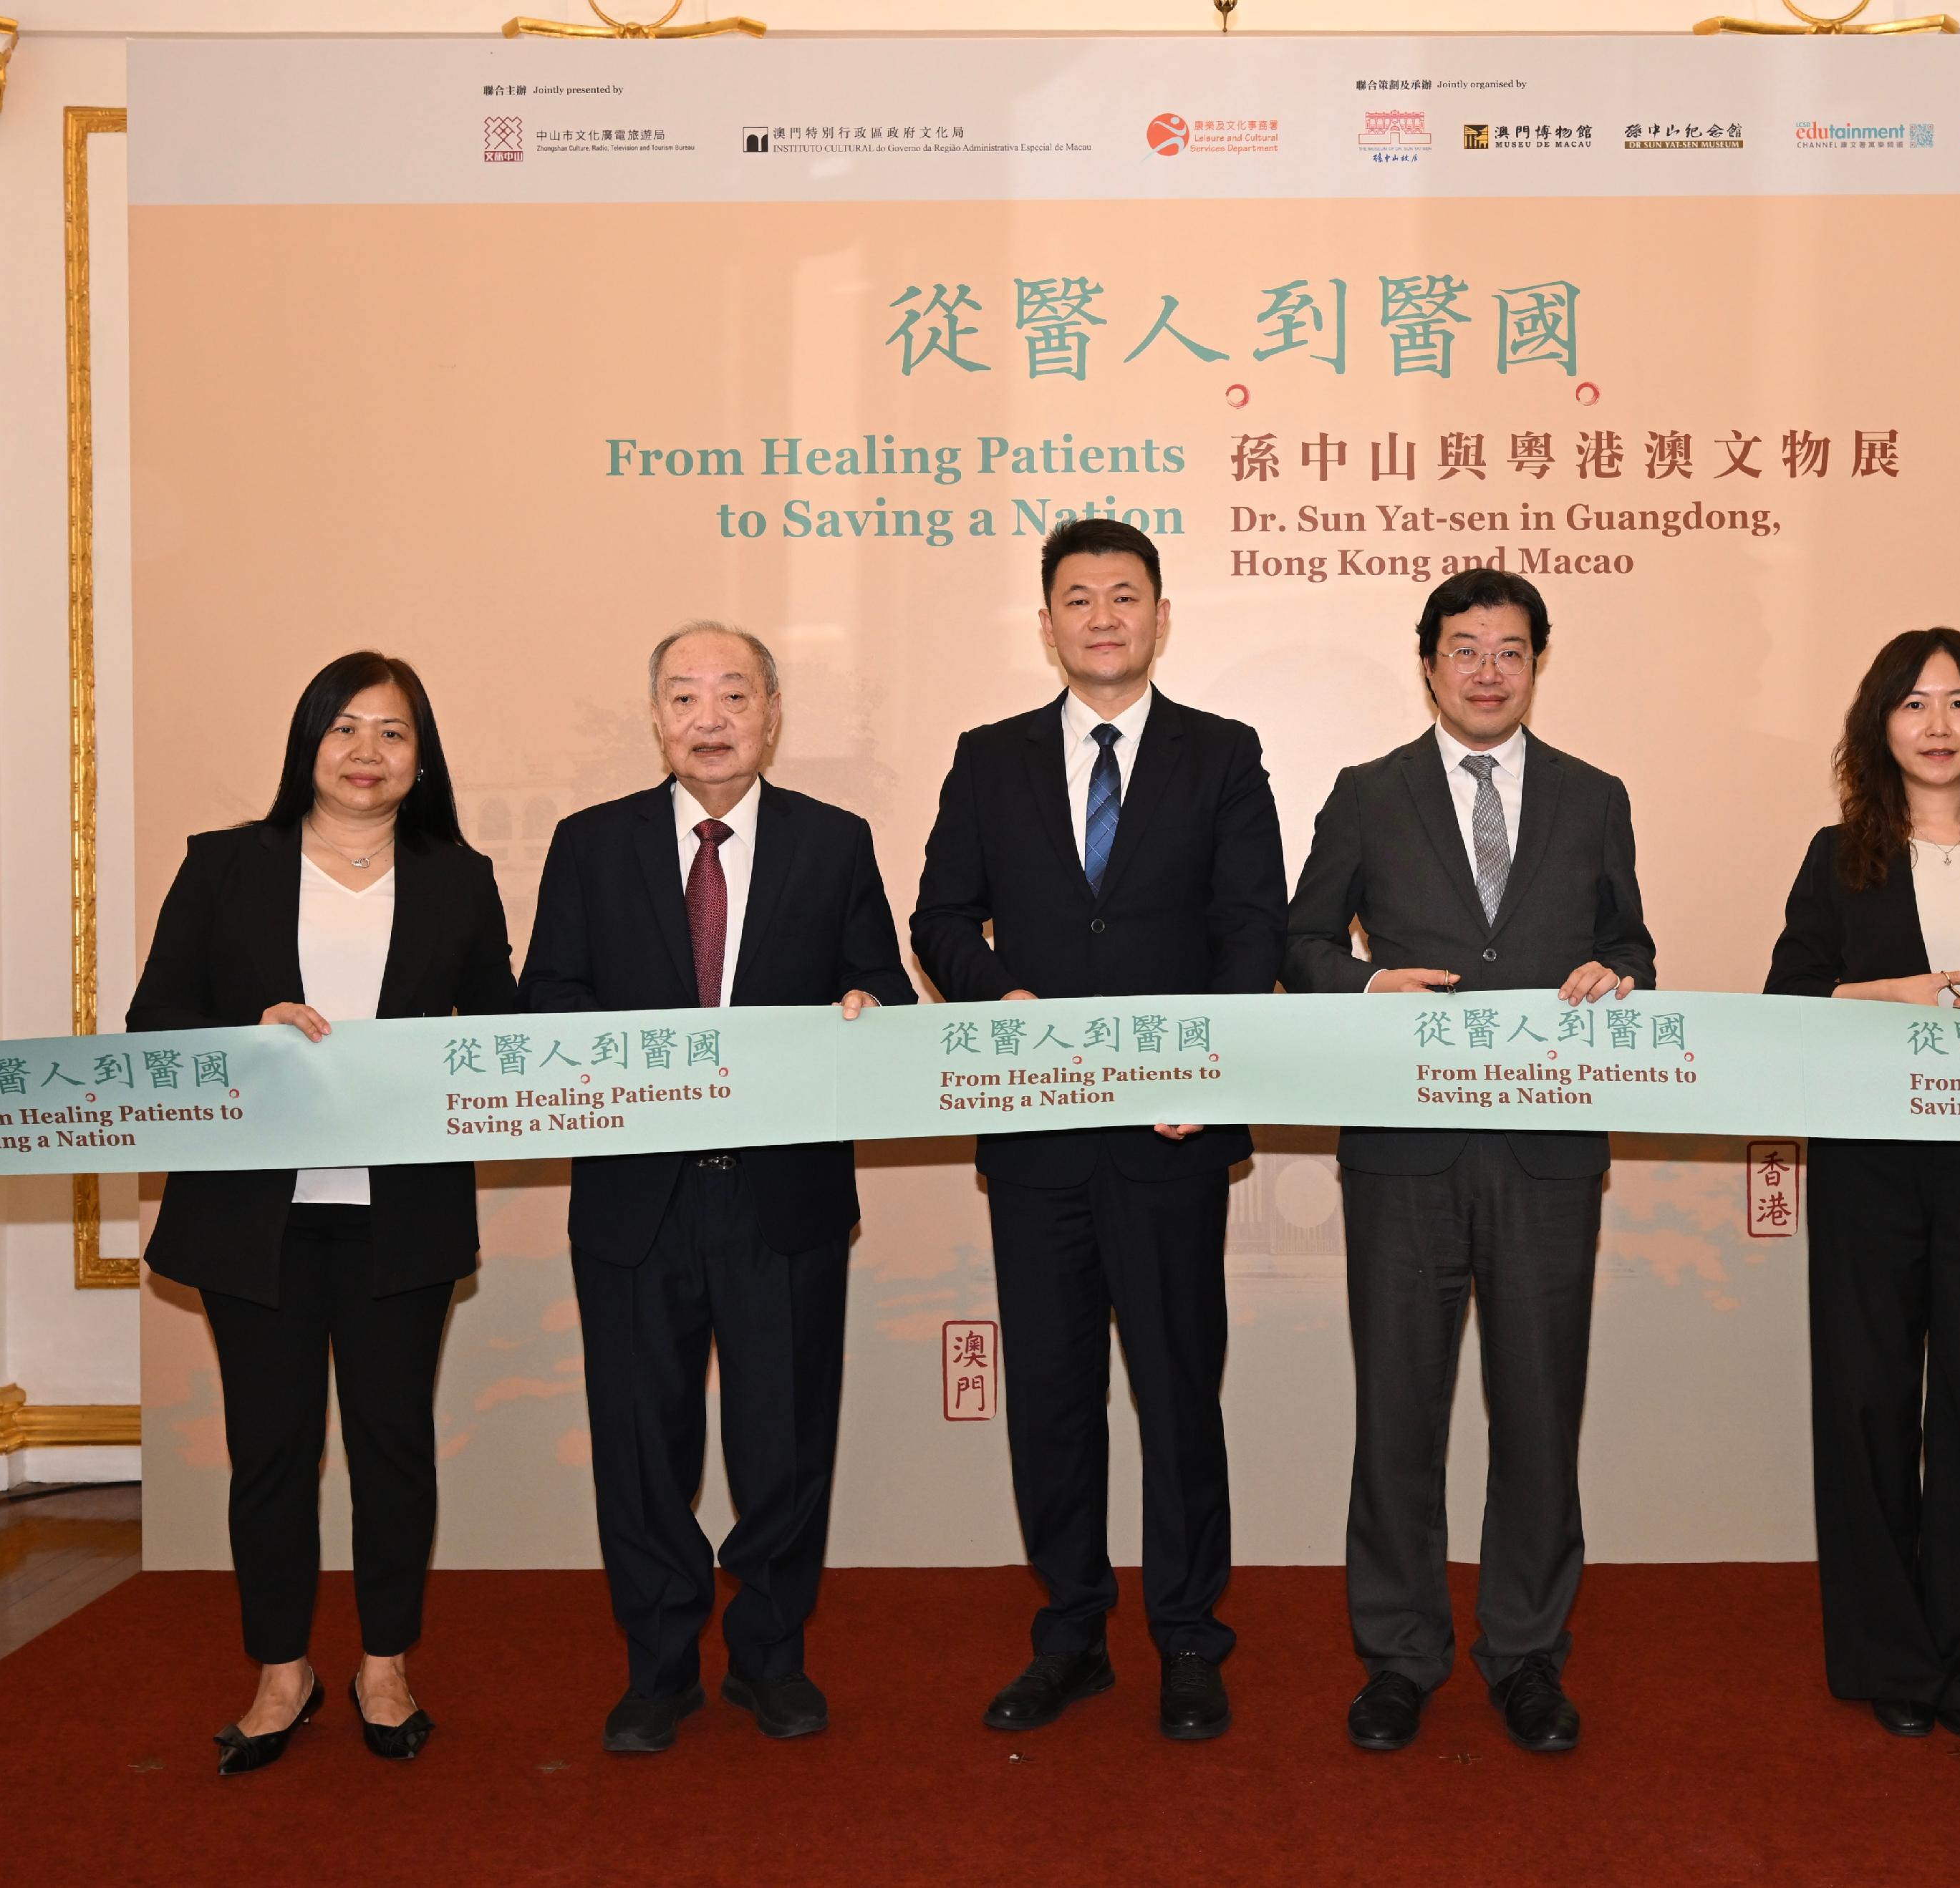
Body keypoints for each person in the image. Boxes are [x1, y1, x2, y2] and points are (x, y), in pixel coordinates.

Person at [909, 518, 1286, 1742]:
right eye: (1079, 597)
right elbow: (939, 917)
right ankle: (1071, 1631)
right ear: (1048, 623)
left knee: (1180, 1389)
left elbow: (1250, 932)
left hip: (1170, 1134)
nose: (1104, 616)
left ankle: (1187, 1635)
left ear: (1161, 615)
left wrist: (1212, 1074)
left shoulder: (1223, 755)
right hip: (1037, 1137)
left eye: (1127, 595)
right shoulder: (990, 757)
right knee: (1054, 1395)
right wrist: (993, 996)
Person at [519, 621, 915, 1754]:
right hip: (636, 1201)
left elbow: (878, 982)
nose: (710, 718)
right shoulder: (589, 845)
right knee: (642, 1446)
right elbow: (544, 995)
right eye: (685, 697)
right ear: (656, 719)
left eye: (733, 695)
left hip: (780, 1197)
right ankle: (658, 1667)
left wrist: (868, 1012)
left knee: (785, 1445)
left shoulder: (832, 843)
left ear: (771, 714)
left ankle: (771, 1660)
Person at [1283, 567, 1654, 1756]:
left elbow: (1629, 941)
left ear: (1538, 662)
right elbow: (1296, 943)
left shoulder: (1595, 797)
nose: (1487, 669)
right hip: (1404, 1151)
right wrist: (1363, 980)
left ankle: (1527, 1653)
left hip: (1547, 1151)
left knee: (1541, 1410)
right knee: (1398, 1407)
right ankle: (1399, 1655)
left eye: (1510, 649)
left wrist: (1620, 974)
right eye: (1464, 649)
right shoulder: (1366, 792)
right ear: (1428, 661)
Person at [127, 651, 516, 1776]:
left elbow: (498, 1033)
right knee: (271, 1449)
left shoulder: (458, 874)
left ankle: (384, 1661)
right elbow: (155, 1017)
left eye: (392, 733)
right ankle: (280, 1670)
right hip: (260, 1216)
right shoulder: (225, 866)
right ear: (307, 743)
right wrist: (252, 1026)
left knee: (394, 1445)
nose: (365, 753)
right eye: (343, 728)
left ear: (421, 757)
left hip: (400, 1213)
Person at [1762, 629, 1960, 1742]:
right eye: (1913, 703)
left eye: (1959, 702)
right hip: (1869, 1170)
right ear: (1878, 726)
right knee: (1864, 1408)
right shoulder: (1835, 853)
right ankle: (1887, 1655)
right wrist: (1876, 992)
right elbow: (1787, 998)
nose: (1938, 724)